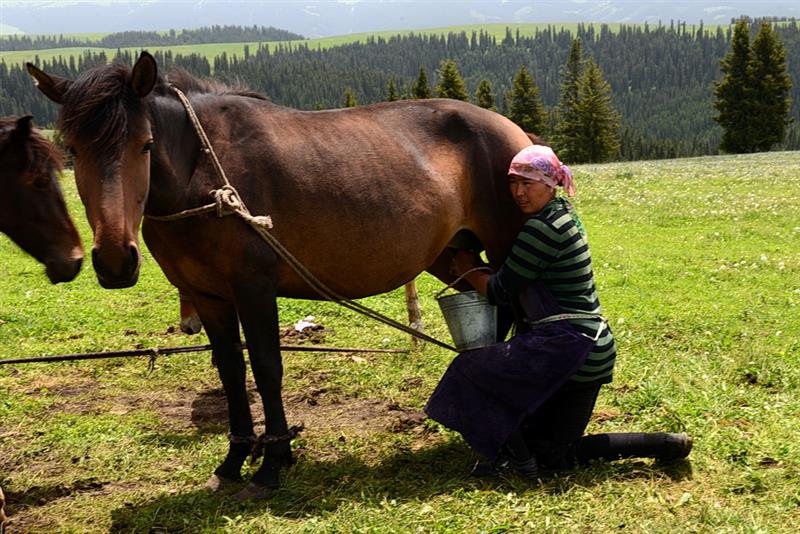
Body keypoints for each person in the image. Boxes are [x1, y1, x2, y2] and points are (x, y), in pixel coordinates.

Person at [425, 144, 692, 478]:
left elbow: (499, 291)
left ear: (551, 183)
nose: (519, 193)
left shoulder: (541, 228)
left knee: (469, 371)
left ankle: (516, 463)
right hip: (592, 347)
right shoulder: (563, 214)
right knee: (555, 454)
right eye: (514, 183)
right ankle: (665, 444)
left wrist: (467, 266)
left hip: (565, 347)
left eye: (528, 183)